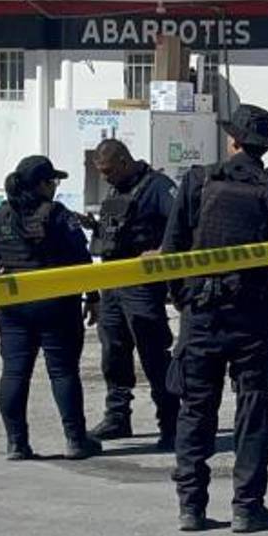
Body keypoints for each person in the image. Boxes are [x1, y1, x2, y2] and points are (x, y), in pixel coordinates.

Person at [160, 104, 268, 534]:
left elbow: (171, 251)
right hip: (255, 316)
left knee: (195, 409)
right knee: (253, 409)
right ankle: (247, 506)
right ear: (265, 148)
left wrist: (183, 299)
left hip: (202, 315)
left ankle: (191, 506)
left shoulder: (197, 182)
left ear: (233, 141)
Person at [0, 155, 102, 461]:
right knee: (62, 372)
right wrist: (94, 297)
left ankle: (16, 443)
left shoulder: (0, 218)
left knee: (14, 374)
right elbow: (82, 259)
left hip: (14, 306)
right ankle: (75, 440)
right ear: (41, 185)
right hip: (57, 306)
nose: (56, 187)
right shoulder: (59, 216)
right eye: (53, 181)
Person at [83, 139, 179, 450]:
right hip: (112, 280)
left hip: (141, 284)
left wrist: (163, 251)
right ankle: (117, 416)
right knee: (113, 350)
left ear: (124, 161)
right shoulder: (116, 189)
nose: (106, 178)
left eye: (109, 171)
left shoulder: (158, 187)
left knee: (153, 353)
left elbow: (182, 222)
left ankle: (171, 422)